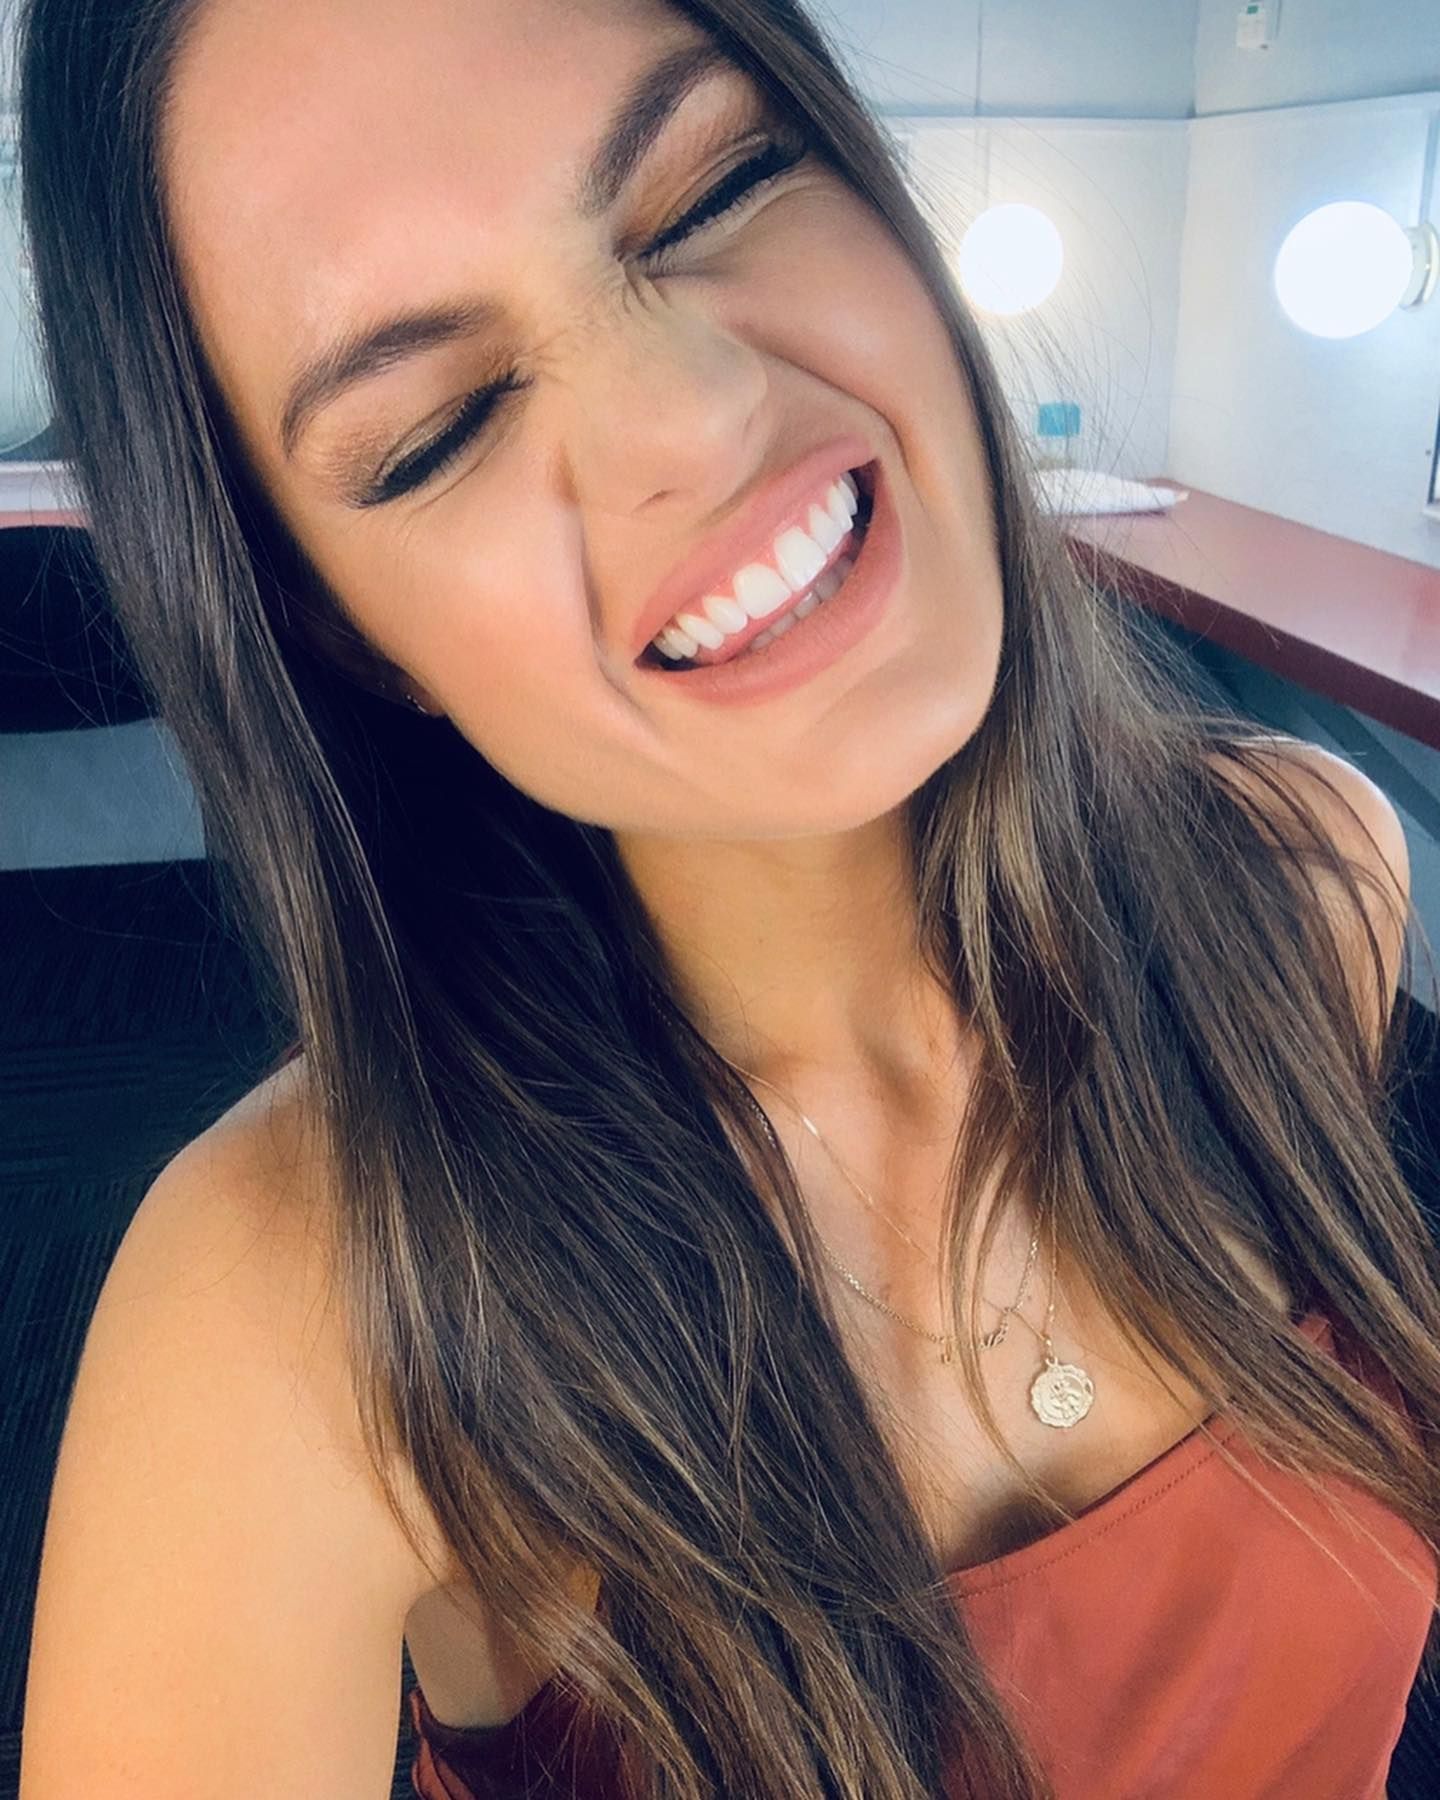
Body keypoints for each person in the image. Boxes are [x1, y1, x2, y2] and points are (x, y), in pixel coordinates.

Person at [14, 2, 1440, 1796]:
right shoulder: (296, 1309)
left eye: (716, 189)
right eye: (440, 427)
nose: (694, 412)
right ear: (338, 629)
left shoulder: (1310, 880)